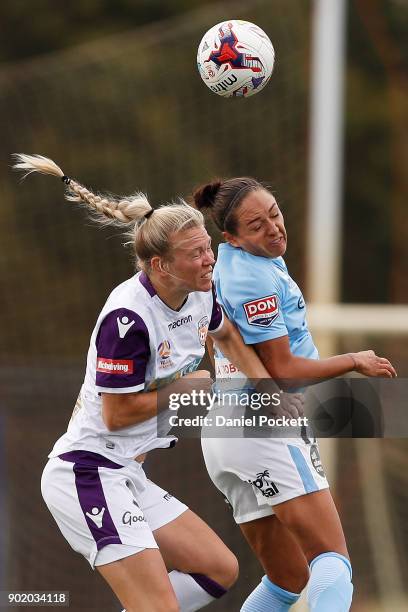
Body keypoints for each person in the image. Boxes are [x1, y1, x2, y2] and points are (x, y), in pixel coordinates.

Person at [13, 155, 281, 612]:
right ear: (160, 265)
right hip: (87, 472)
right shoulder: (128, 318)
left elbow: (226, 334)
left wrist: (267, 387)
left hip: (127, 471)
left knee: (219, 569)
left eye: (206, 247)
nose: (208, 258)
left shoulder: (200, 290)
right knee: (157, 607)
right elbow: (116, 415)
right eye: (194, 253)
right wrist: (189, 387)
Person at [193, 177, 397, 612]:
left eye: (275, 214)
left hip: (226, 435)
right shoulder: (252, 279)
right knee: (333, 560)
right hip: (264, 427)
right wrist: (354, 360)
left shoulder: (233, 262)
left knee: (287, 578)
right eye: (256, 224)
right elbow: (283, 372)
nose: (273, 228)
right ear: (230, 236)